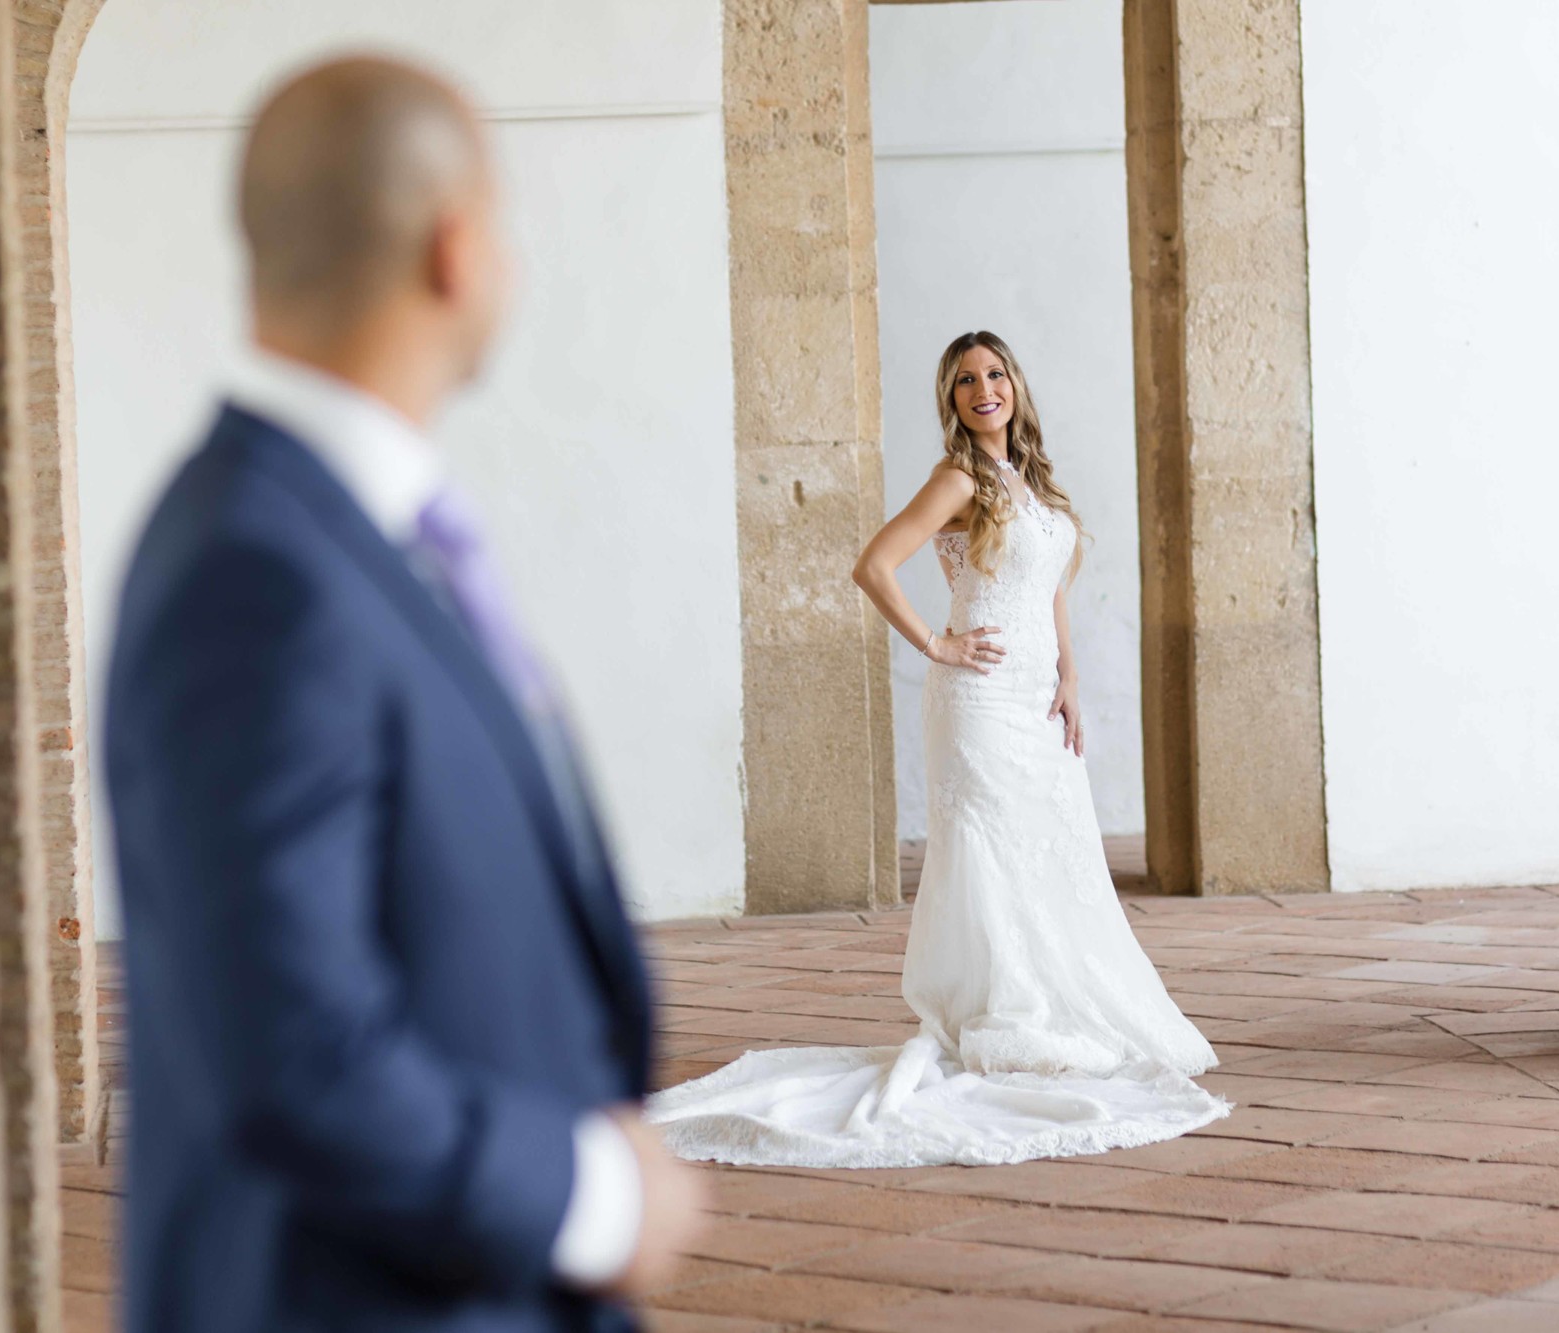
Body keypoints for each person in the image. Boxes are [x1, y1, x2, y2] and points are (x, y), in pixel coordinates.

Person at [103, 56, 705, 1333]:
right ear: (457, 247)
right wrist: (591, 1196)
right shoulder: (255, 581)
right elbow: (293, 1048)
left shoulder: (336, 536)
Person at [645, 331, 1230, 1167]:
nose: (983, 389)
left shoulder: (1033, 483)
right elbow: (874, 564)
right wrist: (936, 644)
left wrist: (1068, 676)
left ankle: (1063, 1002)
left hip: (1035, 698)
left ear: (1016, 386)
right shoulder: (959, 478)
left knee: (1053, 850)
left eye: (995, 374)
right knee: (995, 853)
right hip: (981, 702)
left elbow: (1051, 588)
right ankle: (1008, 1008)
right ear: (952, 399)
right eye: (965, 380)